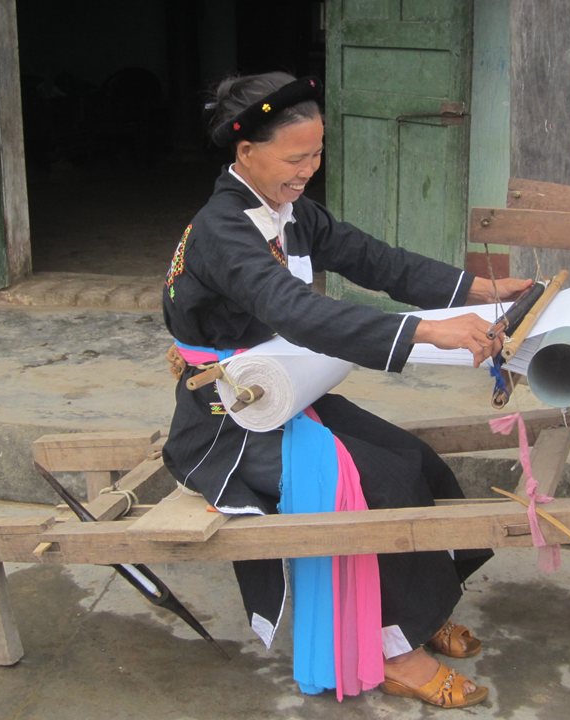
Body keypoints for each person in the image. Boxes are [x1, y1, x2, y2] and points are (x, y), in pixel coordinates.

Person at [161, 71, 532, 709]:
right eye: (295, 158)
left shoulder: (291, 214)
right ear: (246, 152)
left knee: (412, 459)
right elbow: (297, 312)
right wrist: (428, 332)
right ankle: (394, 651)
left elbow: (375, 261)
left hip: (282, 390)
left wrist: (486, 290)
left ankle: (419, 615)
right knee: (376, 484)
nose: (309, 169)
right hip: (227, 419)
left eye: (317, 153)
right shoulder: (223, 230)